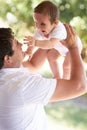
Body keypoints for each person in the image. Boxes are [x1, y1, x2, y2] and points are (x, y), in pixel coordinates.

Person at [0, 24, 86, 130]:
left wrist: (51, 36)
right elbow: (79, 86)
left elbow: (33, 65)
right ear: (7, 58)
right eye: (17, 44)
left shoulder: (6, 73)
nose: (21, 44)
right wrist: (74, 48)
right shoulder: (22, 86)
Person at [24, 1, 82, 79]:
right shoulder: (41, 29)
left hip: (73, 47)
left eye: (42, 24)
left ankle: (65, 81)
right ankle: (57, 76)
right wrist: (29, 50)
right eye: (36, 22)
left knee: (66, 65)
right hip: (62, 48)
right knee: (51, 56)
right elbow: (35, 39)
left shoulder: (59, 29)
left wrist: (35, 43)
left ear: (55, 22)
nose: (38, 27)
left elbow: (51, 44)